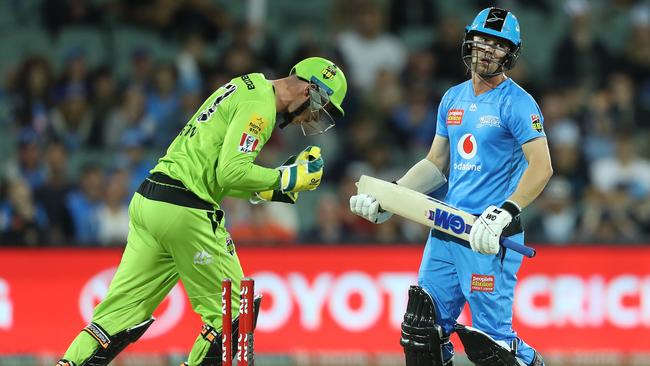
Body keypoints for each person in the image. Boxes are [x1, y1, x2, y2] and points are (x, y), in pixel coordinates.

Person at [56, 56, 347, 366]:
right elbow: (231, 173)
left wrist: (273, 187)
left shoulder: (247, 86)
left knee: (116, 317)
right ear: (309, 93)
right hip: (186, 209)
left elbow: (214, 171)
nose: (311, 119)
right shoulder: (260, 108)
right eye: (320, 110)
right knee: (236, 314)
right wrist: (288, 177)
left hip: (152, 199)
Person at [350, 8, 551, 366]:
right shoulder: (452, 98)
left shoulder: (518, 103)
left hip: (488, 236)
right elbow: (435, 163)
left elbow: (543, 166)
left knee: (494, 349)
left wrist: (506, 212)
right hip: (447, 228)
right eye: (483, 40)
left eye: (499, 45)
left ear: (511, 53)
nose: (488, 50)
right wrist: (389, 198)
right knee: (421, 333)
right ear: (469, 42)